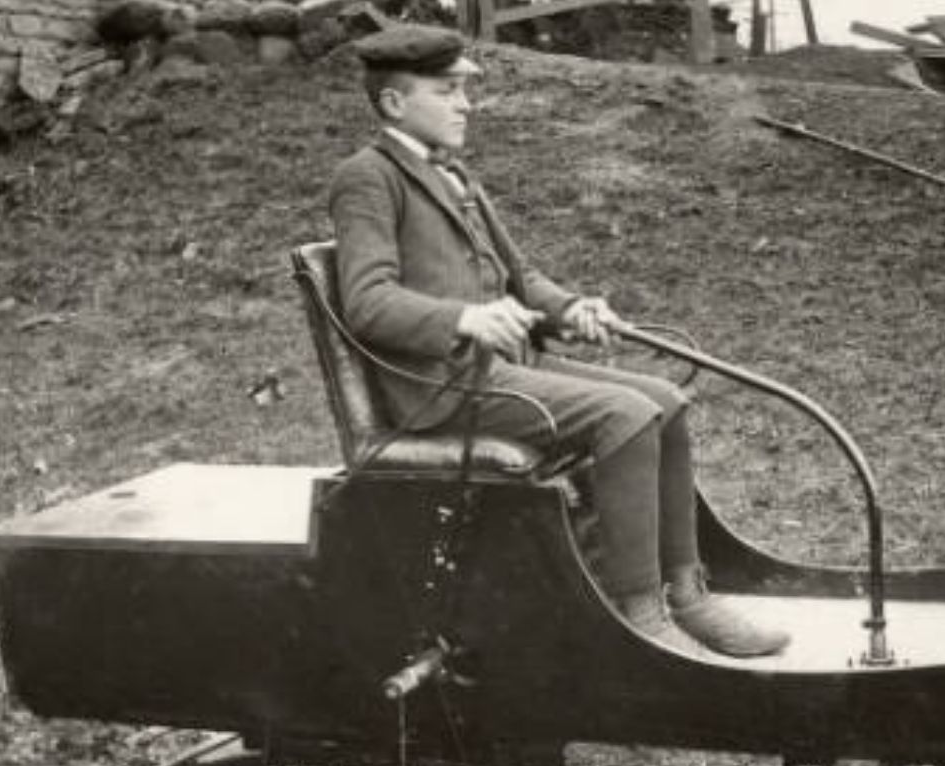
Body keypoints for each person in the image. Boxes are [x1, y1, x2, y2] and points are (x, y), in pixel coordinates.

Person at [327, 25, 788, 659]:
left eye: (464, 90)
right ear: (394, 103)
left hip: (501, 372)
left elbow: (522, 278)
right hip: (442, 390)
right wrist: (463, 319)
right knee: (626, 415)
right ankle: (641, 619)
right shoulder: (367, 178)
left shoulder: (454, 173)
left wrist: (569, 308)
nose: (466, 104)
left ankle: (689, 596)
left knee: (665, 402)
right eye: (447, 91)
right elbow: (366, 301)